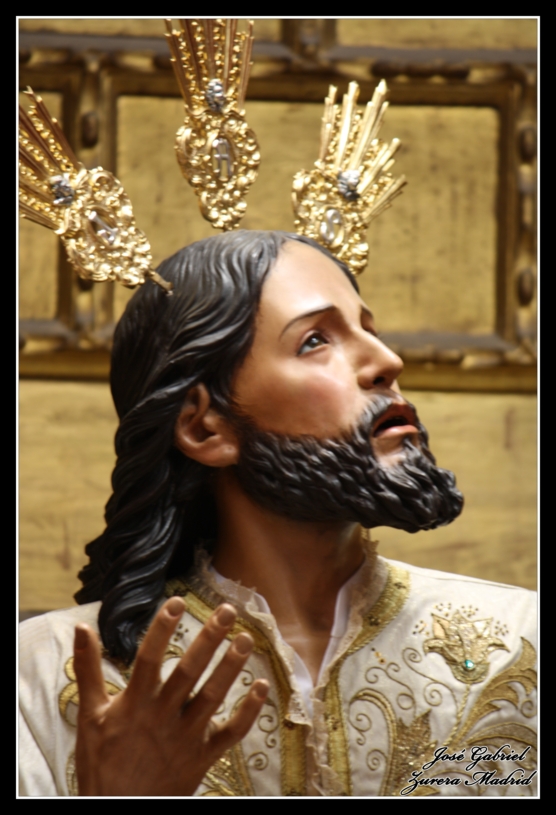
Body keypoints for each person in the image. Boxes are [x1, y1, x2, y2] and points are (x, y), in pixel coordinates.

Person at [19, 230, 537, 797]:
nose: (388, 361)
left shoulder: (519, 643)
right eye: (315, 341)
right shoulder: (43, 675)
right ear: (205, 427)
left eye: (369, 329)